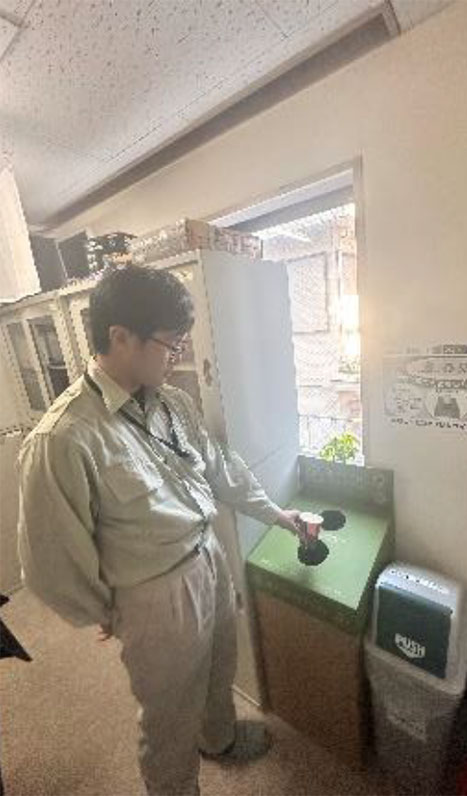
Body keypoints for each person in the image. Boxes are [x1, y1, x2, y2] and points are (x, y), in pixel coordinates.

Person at [17, 264, 300, 796]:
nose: (178, 356)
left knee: (219, 665)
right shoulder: (64, 437)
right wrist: (108, 610)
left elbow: (222, 468)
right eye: (171, 344)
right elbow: (49, 562)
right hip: (154, 594)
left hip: (208, 556)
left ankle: (218, 739)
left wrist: (278, 516)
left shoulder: (173, 402)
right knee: (168, 713)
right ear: (121, 337)